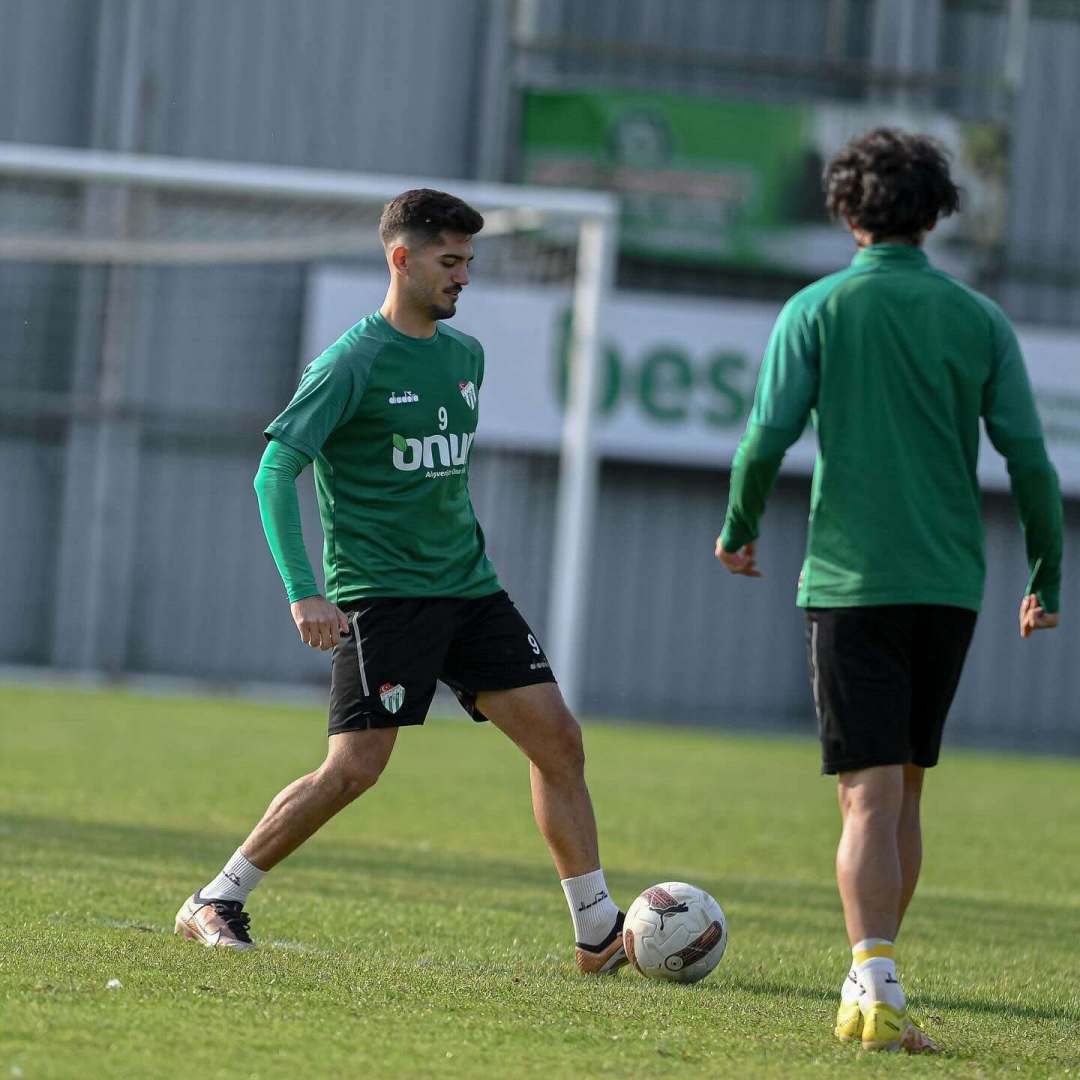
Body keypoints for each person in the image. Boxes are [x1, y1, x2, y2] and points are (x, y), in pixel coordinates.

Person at [175, 189, 627, 975]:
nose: (463, 277)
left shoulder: (465, 357)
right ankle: (216, 898)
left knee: (558, 740)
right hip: (383, 595)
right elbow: (274, 472)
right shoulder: (351, 362)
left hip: (471, 590)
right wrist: (303, 590)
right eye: (450, 262)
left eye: (469, 262)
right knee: (356, 768)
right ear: (401, 259)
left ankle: (597, 934)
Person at [715, 129, 1063, 1053]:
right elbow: (1030, 459)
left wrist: (740, 527)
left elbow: (764, 437)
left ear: (844, 209)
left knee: (866, 800)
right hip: (949, 587)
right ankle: (875, 981)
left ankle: (876, 991)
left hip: (852, 581)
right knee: (904, 795)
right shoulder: (979, 320)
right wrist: (1047, 571)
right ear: (936, 213)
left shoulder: (818, 308)